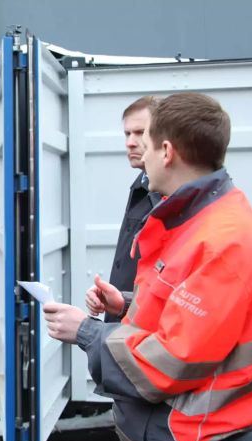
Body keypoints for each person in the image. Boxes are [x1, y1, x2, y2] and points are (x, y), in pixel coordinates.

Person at [44, 93, 252, 441]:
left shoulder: (223, 238)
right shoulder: (193, 218)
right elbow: (186, 308)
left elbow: (171, 361)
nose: (139, 153)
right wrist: (124, 305)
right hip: (166, 433)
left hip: (194, 438)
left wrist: (87, 332)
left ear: (167, 152)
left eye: (146, 144)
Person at [106, 96, 160, 323]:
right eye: (127, 134)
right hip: (125, 323)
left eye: (140, 132)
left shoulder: (170, 194)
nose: (130, 142)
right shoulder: (143, 183)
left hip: (143, 332)